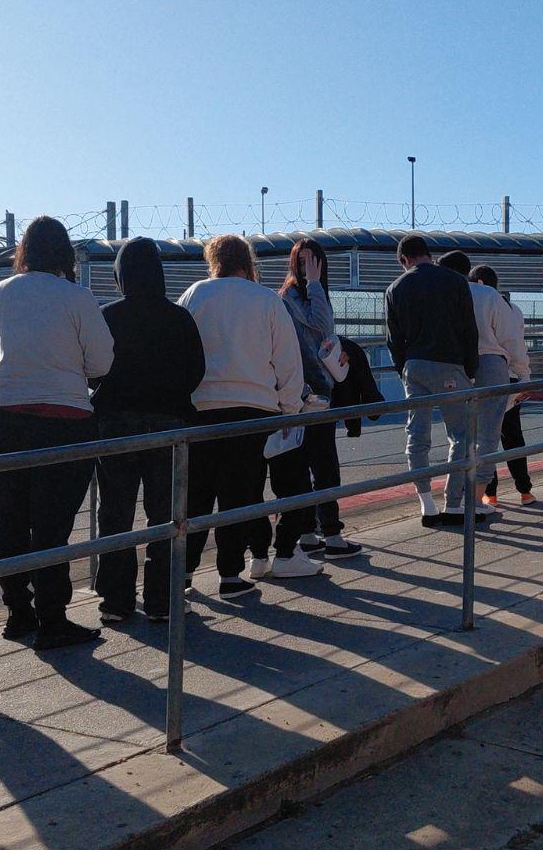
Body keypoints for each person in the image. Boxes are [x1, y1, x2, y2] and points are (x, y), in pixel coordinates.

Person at [0, 216, 115, 649]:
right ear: (64, 253)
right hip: (64, 418)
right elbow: (101, 364)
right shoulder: (78, 297)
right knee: (52, 525)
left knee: (10, 521)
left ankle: (17, 612)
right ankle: (53, 618)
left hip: (5, 417)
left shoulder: (3, 292)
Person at [179, 235, 307, 596]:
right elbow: (287, 361)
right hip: (254, 409)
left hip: (201, 408)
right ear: (247, 261)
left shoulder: (193, 295)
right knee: (240, 494)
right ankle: (230, 576)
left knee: (197, 496)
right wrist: (290, 409)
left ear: (213, 260)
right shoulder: (266, 299)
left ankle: (184, 574)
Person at [91, 237, 205, 624]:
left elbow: (93, 368)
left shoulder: (107, 316)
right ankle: (162, 599)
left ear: (121, 275)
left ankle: (116, 600)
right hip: (170, 423)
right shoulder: (179, 318)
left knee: (116, 514)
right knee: (166, 515)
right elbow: (196, 371)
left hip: (116, 423)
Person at [384, 234, 482, 527]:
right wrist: (470, 369)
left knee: (417, 435)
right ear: (428, 254)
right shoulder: (455, 281)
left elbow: (393, 339)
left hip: (414, 367)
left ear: (404, 260)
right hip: (450, 365)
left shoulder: (395, 288)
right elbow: (469, 329)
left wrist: (404, 368)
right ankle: (453, 503)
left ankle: (426, 505)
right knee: (462, 436)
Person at [278, 238, 362, 560]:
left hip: (318, 389)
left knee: (315, 462)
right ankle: (331, 535)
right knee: (322, 464)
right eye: (302, 262)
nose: (308, 268)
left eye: (314, 262)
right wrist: (313, 282)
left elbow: (325, 336)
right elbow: (322, 324)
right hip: (306, 393)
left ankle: (310, 532)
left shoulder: (313, 293)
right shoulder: (292, 294)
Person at [437, 252, 528, 513]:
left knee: (459, 436)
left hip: (452, 366)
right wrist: (524, 375)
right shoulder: (490, 296)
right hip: (491, 365)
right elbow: (512, 341)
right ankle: (476, 500)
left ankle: (452, 500)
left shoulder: (443, 296)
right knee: (489, 437)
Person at [463, 265, 536, 508]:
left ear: (479, 283)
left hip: (478, 376)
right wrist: (525, 376)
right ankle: (524, 490)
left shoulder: (467, 302)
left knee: (483, 436)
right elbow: (516, 344)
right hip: (510, 377)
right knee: (513, 435)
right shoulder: (512, 308)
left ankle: (489, 493)